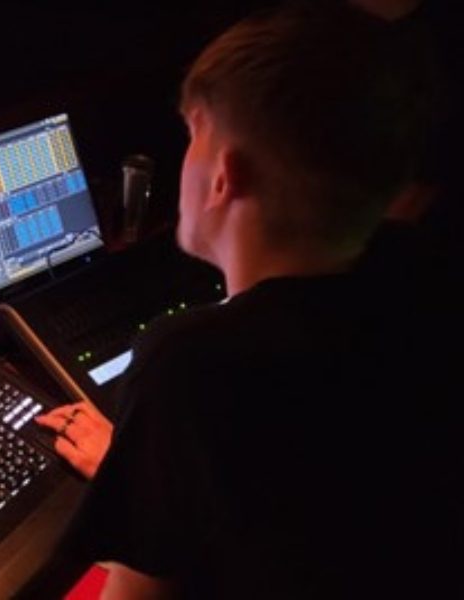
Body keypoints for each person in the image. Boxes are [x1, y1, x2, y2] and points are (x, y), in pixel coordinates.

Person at [34, 3, 461, 598]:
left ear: (223, 175)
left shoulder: (192, 365)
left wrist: (146, 479)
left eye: (192, 136)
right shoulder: (421, 277)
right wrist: (148, 474)